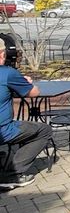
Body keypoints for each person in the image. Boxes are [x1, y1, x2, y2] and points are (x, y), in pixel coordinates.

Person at [0, 38, 51, 187]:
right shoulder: (8, 73)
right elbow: (34, 93)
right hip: (4, 130)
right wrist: (25, 82)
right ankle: (12, 174)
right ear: (3, 54)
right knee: (44, 130)